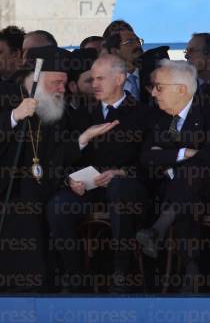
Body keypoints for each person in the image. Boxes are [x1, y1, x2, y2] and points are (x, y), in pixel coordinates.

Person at [0, 46, 117, 293]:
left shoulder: (53, 110)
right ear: (37, 79)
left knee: (27, 214)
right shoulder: (2, 94)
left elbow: (49, 158)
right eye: (57, 83)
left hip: (22, 193)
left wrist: (81, 141)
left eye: (65, 83)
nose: (62, 89)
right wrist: (12, 116)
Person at [136, 60, 210, 293]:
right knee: (188, 196)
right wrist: (183, 152)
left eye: (159, 87)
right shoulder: (160, 117)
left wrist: (168, 157)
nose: (153, 93)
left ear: (181, 89)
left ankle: (161, 232)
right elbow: (145, 158)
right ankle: (191, 267)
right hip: (185, 194)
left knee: (189, 176)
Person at [48, 54, 149, 293]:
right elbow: (64, 155)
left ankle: (121, 272)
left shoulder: (143, 113)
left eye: (101, 78)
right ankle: (74, 275)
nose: (94, 84)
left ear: (120, 78)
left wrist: (122, 172)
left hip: (128, 188)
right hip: (89, 188)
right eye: (92, 79)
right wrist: (70, 180)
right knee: (58, 205)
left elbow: (151, 161)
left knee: (119, 188)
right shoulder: (80, 114)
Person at [103, 29, 144, 102]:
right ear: (115, 51)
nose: (138, 45)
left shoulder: (152, 74)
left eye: (138, 41)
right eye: (130, 42)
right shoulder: (108, 83)